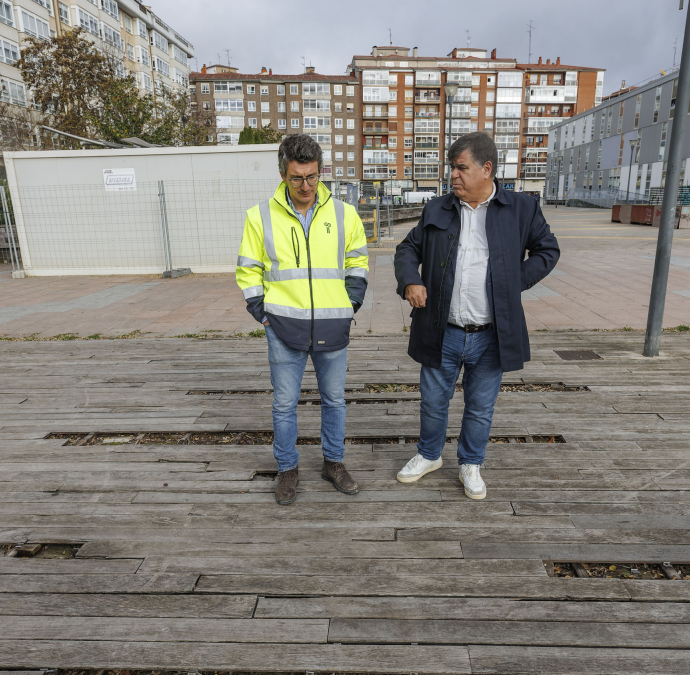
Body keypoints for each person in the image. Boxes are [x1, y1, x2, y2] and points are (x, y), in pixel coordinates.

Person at [393, 132, 560, 499]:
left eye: (460, 168)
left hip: (492, 333)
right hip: (442, 328)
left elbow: (547, 250)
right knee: (433, 401)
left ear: (487, 169)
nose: (453, 175)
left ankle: (471, 463)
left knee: (481, 406)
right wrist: (410, 281)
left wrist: (514, 281)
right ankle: (428, 454)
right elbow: (407, 248)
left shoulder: (521, 209)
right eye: (451, 167)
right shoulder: (437, 208)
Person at [236, 134, 370, 505]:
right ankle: (287, 468)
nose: (306, 186)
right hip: (282, 328)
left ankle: (334, 463)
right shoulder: (259, 216)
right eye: (297, 178)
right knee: (283, 404)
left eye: (313, 176)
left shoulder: (344, 214)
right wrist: (262, 313)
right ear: (282, 174)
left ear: (321, 171)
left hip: (333, 325)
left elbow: (357, 261)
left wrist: (351, 304)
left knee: (335, 400)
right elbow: (248, 271)